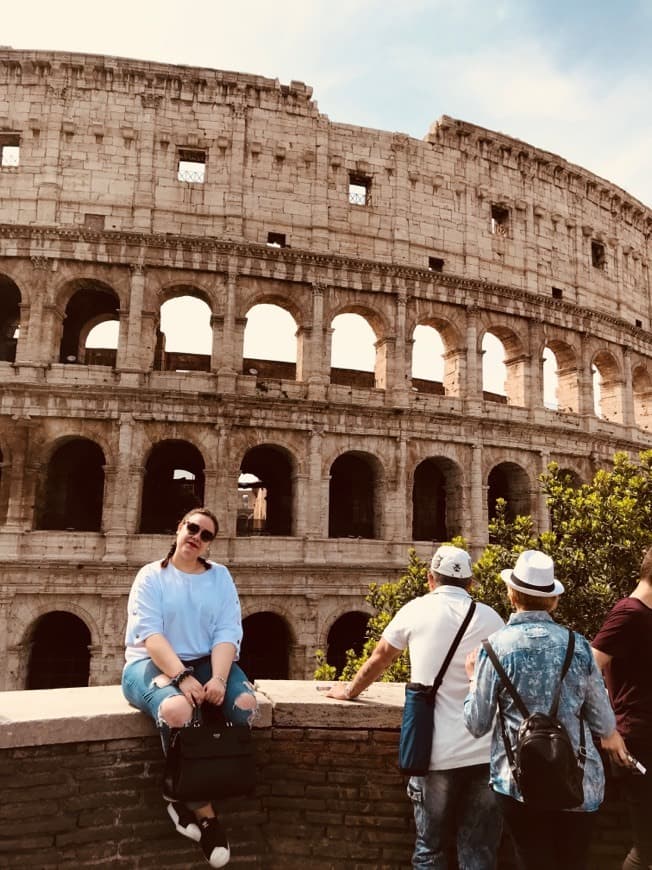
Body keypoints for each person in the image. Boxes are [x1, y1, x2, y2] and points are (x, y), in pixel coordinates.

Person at [327, 545, 505, 869]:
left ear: (430, 579)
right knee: (479, 850)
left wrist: (350, 690)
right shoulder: (492, 618)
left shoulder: (415, 610)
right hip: (485, 752)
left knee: (430, 849)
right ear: (471, 582)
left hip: (435, 752)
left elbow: (380, 657)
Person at [464, 550, 620, 870]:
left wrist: (472, 681)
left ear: (511, 594)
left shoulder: (493, 649)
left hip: (520, 783)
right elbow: (604, 722)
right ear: (553, 601)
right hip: (578, 780)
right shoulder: (578, 646)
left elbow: (477, 724)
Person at [121, 507, 258, 869]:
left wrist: (218, 678)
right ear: (179, 528)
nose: (196, 537)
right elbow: (150, 636)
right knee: (178, 710)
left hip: (204, 663)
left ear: (210, 544)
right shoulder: (151, 576)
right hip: (148, 663)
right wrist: (182, 677)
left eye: (206, 534)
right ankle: (204, 811)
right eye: (192, 528)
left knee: (245, 704)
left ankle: (180, 793)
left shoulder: (220, 577)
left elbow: (228, 631)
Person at [592, 546, 652, 870]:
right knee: (648, 849)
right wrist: (608, 728)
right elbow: (587, 668)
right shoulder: (628, 612)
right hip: (638, 743)